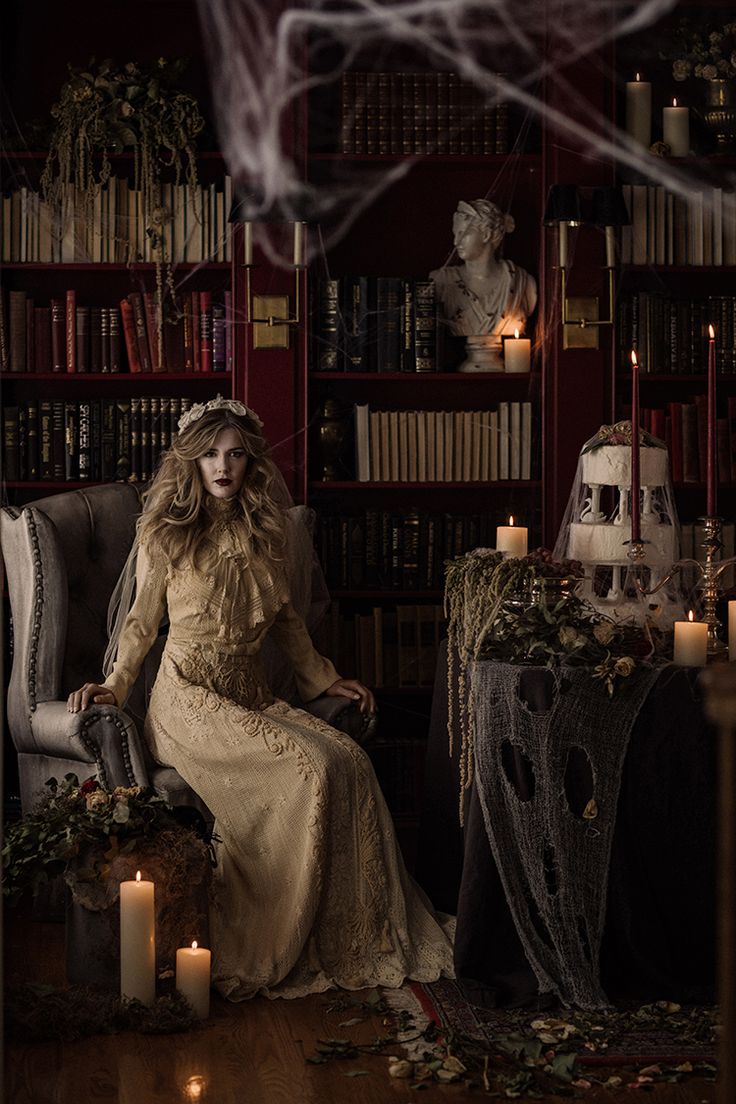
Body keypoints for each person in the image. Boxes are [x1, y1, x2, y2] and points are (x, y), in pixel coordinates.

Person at [68, 396, 453, 1000]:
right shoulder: (164, 533)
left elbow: (288, 623)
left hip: (248, 693)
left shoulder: (269, 533)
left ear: (250, 463)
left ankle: (349, 931)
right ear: (192, 462)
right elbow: (141, 625)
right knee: (308, 769)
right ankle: (273, 934)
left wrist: (324, 680)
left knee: (346, 760)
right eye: (211, 456)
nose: (223, 467)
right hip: (187, 699)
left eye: (236, 455)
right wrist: (114, 688)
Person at [430, 198, 537, 340]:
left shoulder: (522, 283)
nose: (456, 242)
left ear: (486, 235)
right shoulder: (442, 281)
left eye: (463, 234)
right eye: (455, 234)